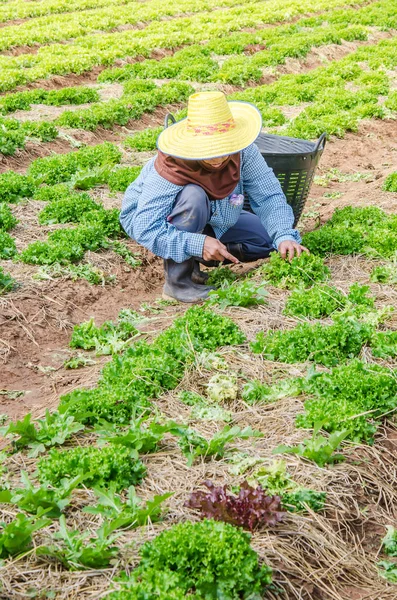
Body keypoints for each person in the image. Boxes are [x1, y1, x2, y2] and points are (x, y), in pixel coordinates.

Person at [120, 91, 308, 302]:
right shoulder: (172, 164)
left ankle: (206, 252)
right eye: (210, 151)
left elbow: (269, 196)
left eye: (223, 148)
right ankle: (179, 282)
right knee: (193, 196)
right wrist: (196, 243)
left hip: (217, 215)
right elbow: (145, 225)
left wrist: (283, 235)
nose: (218, 159)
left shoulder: (244, 152)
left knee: (266, 240)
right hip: (162, 218)